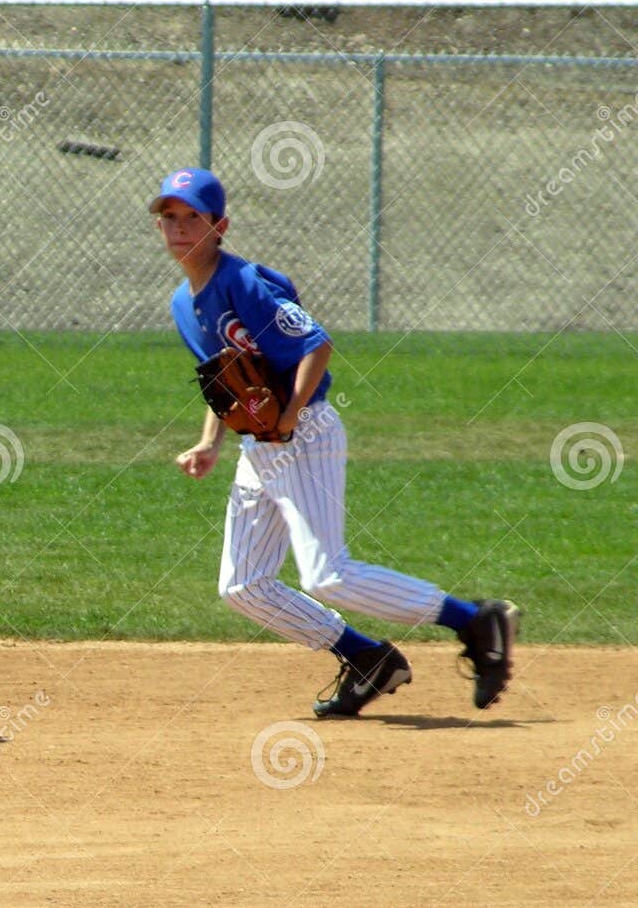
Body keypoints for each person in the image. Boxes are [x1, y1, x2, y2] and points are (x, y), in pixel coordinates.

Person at [153, 168, 518, 717]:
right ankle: (368, 658)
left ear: (219, 225)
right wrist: (210, 443)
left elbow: (316, 346)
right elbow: (227, 384)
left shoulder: (244, 282)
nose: (179, 228)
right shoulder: (185, 302)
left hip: (306, 434)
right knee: (243, 586)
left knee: (327, 574)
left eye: (192, 218)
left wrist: (291, 415)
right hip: (262, 447)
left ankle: (476, 621)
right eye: (169, 218)